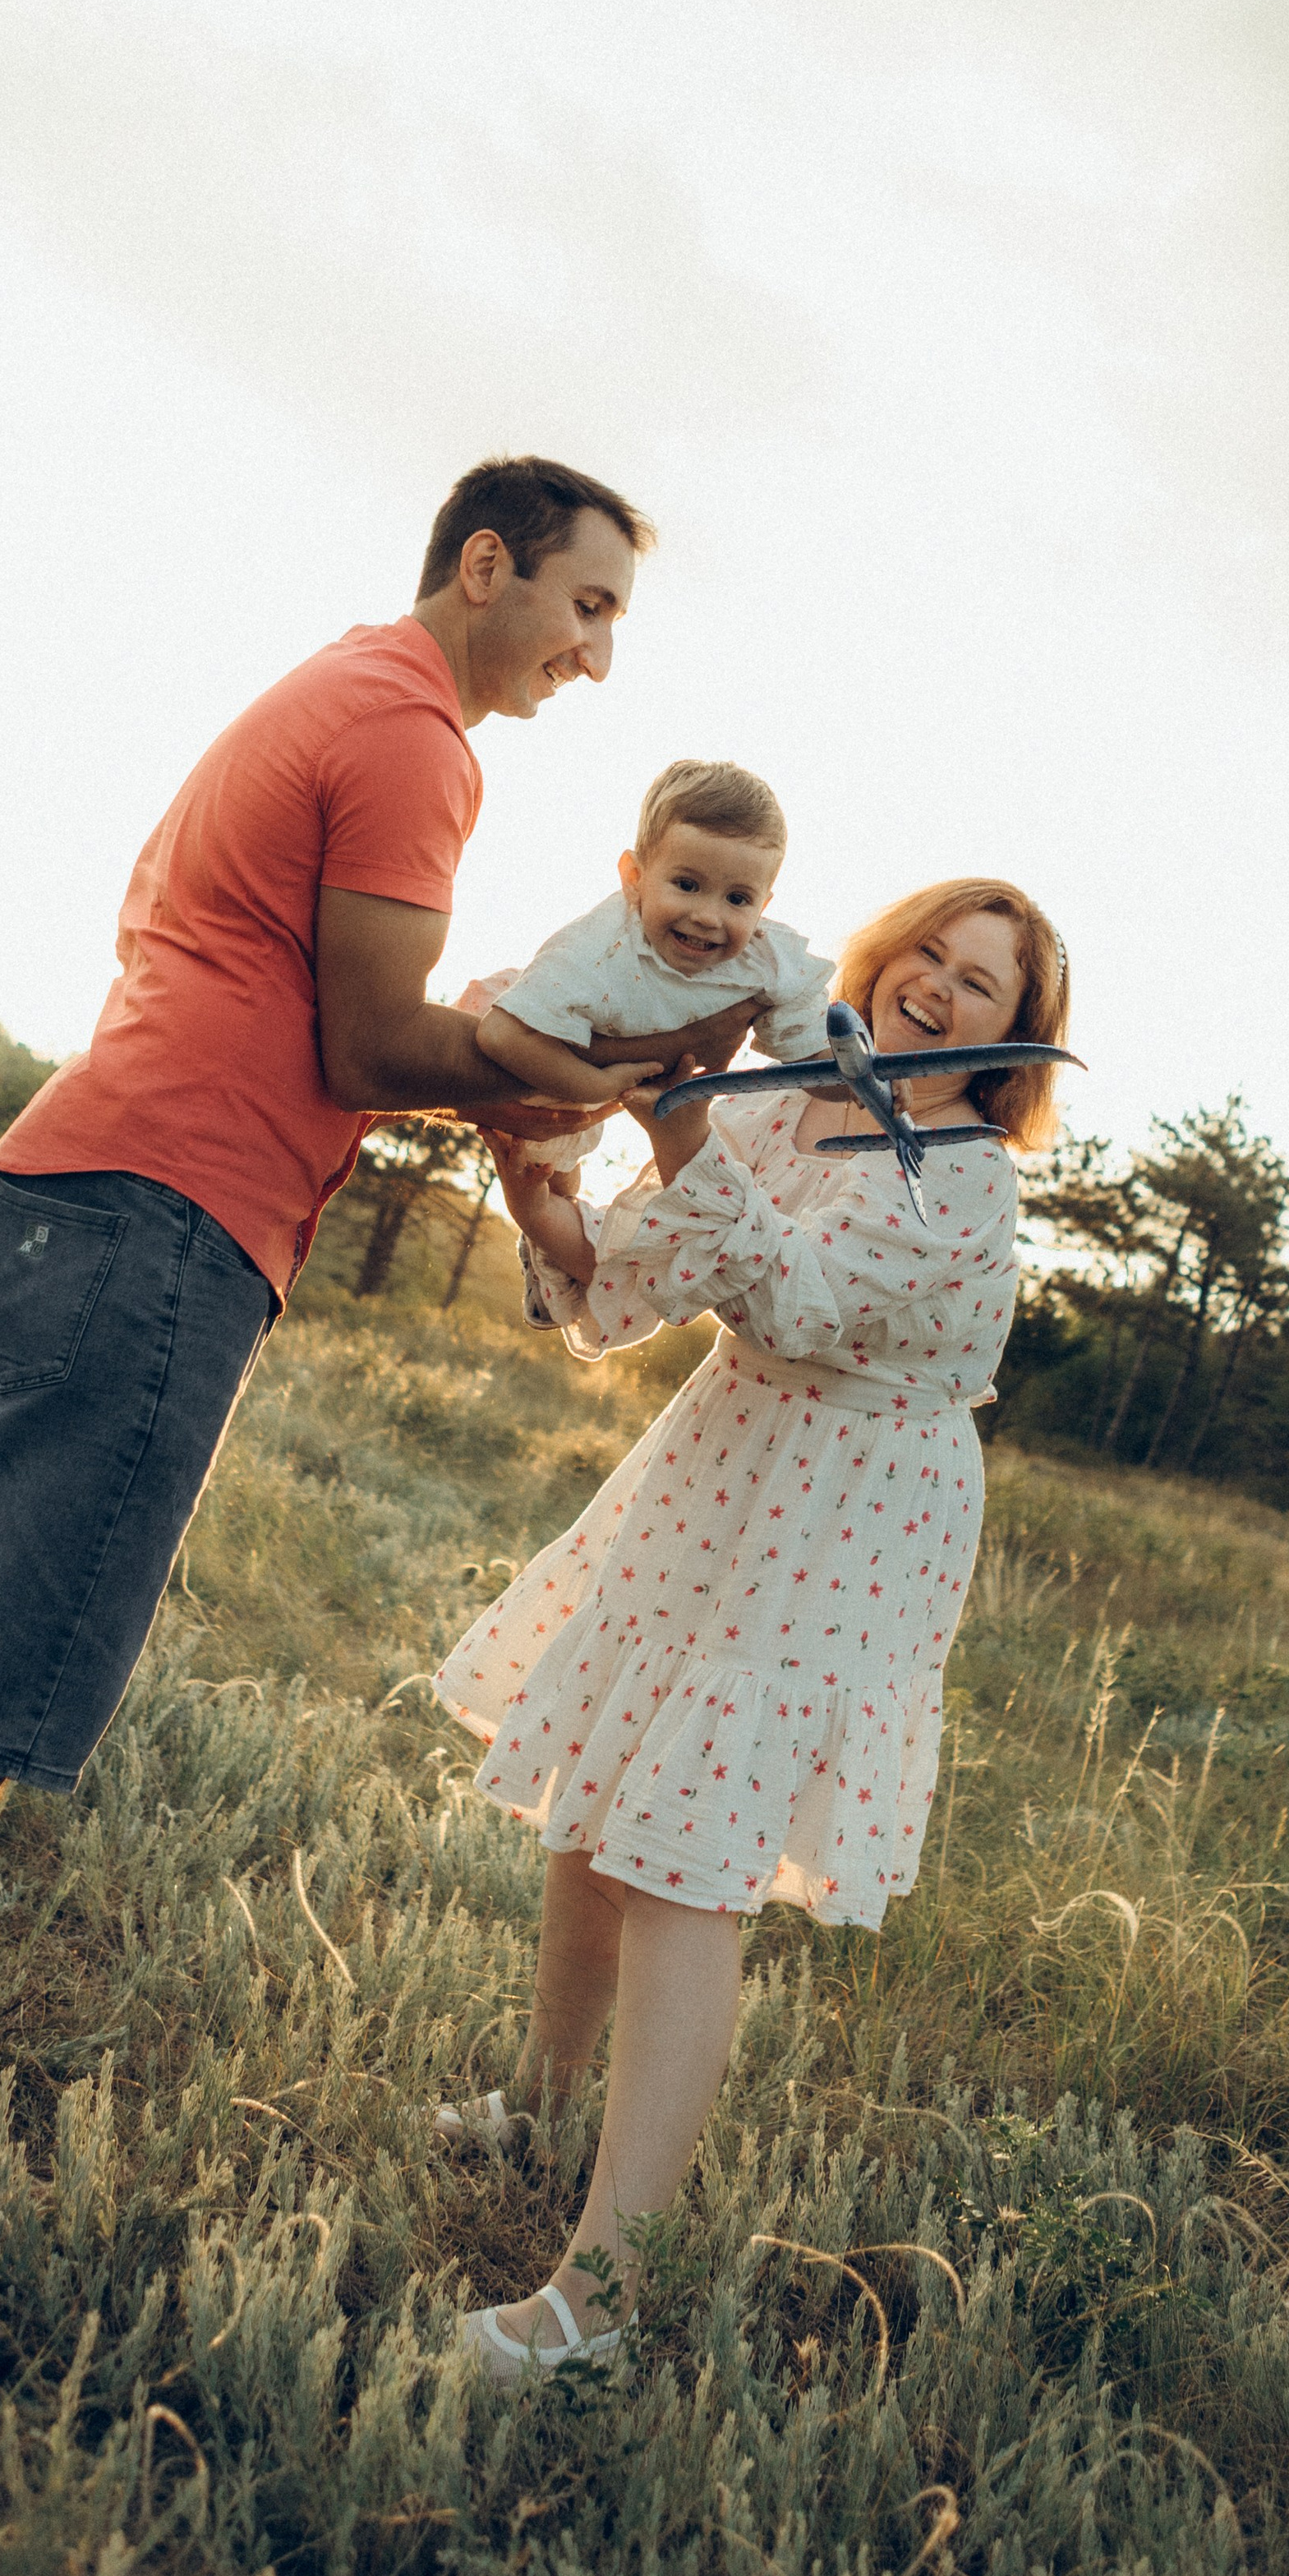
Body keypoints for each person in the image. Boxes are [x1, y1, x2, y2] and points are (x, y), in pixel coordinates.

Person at [0, 455, 767, 2371]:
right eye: (586, 607)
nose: (597, 658)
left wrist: (512, 1066)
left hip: (81, 1172)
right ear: (487, 562)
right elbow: (364, 1040)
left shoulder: (335, 691)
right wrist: (568, 1065)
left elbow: (330, 1013)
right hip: (169, 1211)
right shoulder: (413, 731)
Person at [432, 875, 1070, 2382]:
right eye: (926, 950)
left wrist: (682, 1134)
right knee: (599, 1793)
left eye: (978, 985)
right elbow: (645, 1280)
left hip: (850, 1507)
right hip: (724, 1461)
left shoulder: (963, 1176)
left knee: (687, 1858)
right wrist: (553, 1215)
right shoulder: (792, 1098)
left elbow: (791, 1294)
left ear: (1007, 1046)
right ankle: (540, 2103)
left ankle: (602, 2294)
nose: (934, 985)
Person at [463, 759, 834, 1177]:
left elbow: (814, 1059)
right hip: (538, 1036)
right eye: (687, 885)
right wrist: (596, 1086)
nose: (709, 916)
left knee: (552, 1184)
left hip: (602, 1073)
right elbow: (501, 1034)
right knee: (535, 1169)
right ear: (635, 876)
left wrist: (867, 1085)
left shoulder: (768, 960)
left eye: (738, 899)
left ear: (764, 906)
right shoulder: (597, 948)